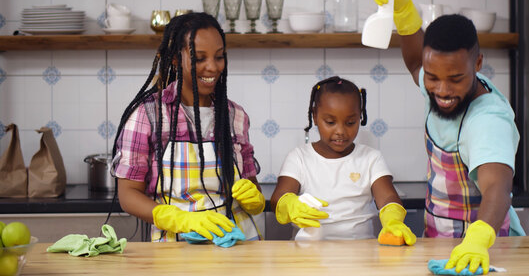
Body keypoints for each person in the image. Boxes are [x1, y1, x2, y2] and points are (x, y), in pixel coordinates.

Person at [372, 0, 526, 274]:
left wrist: (478, 240)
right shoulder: (439, 82)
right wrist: (404, 16)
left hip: (484, 251)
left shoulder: (487, 120)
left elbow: (497, 186)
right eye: (433, 77)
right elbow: (417, 61)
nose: (442, 90)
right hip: (440, 240)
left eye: (455, 79)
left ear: (477, 63)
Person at [111, 12, 264, 242]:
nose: (212, 67)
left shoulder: (235, 115)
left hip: (240, 245)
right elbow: (128, 195)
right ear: (174, 58)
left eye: (219, 56)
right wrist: (178, 218)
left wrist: (255, 199)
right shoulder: (148, 115)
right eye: (199, 58)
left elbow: (252, 187)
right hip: (177, 247)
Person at [271, 76, 416, 245]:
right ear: (315, 115)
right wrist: (289, 204)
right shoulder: (299, 157)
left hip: (361, 251)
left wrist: (393, 219)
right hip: (308, 253)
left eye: (350, 122)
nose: (340, 131)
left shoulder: (371, 158)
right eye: (330, 122)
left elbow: (387, 197)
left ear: (360, 117)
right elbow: (278, 197)